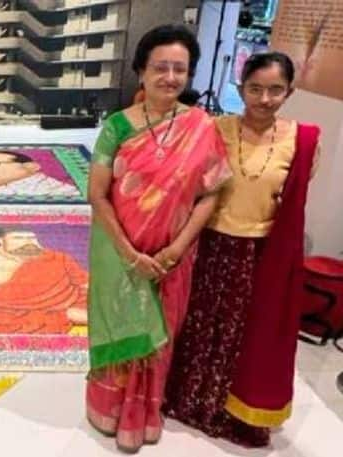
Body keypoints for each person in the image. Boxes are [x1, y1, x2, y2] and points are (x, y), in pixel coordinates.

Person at [84, 24, 231, 453]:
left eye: (180, 69)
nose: (170, 77)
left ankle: (144, 416)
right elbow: (97, 195)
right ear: (141, 71)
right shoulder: (116, 127)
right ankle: (108, 410)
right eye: (161, 67)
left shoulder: (201, 125)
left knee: (160, 337)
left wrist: (176, 248)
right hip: (120, 255)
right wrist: (130, 254)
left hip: (172, 259)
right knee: (120, 329)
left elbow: (210, 193)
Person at [164, 52, 322, 447]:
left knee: (243, 332)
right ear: (240, 89)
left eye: (275, 90)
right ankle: (190, 401)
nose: (264, 99)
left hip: (260, 253)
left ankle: (230, 408)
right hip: (209, 243)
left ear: (290, 91)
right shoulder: (215, 129)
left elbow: (291, 202)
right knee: (199, 323)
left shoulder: (302, 141)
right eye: (255, 88)